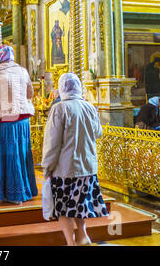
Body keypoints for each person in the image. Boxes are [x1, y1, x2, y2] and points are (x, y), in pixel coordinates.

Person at [41, 73, 108, 246]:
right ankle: (83, 236)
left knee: (63, 209)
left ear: (62, 88)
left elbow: (52, 143)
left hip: (65, 170)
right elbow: (98, 133)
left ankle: (71, 242)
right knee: (79, 206)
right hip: (87, 168)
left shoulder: (60, 108)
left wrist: (47, 166)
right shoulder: (88, 106)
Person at [0, 45, 38, 204]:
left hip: (7, 120)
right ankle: (26, 190)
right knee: (22, 153)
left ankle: (14, 194)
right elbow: (30, 93)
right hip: (23, 120)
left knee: (10, 155)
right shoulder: (23, 71)